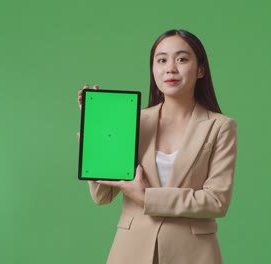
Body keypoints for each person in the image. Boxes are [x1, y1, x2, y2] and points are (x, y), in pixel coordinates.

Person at [77, 29, 237, 264]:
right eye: (161, 60)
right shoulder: (131, 121)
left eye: (181, 59)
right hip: (131, 252)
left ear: (201, 69)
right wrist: (96, 131)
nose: (170, 68)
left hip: (193, 254)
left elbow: (216, 201)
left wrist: (146, 197)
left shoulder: (220, 126)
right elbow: (102, 195)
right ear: (153, 70)